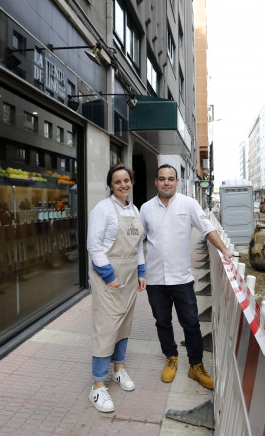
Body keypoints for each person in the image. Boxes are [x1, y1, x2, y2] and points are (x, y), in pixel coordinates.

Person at [140, 164, 233, 390]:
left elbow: (207, 228)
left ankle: (196, 365)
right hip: (155, 280)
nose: (166, 183)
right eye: (162, 179)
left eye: (170, 179)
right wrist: (139, 271)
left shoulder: (188, 204)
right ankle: (171, 358)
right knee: (162, 322)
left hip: (181, 278)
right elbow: (136, 243)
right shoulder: (145, 209)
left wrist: (224, 250)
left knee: (191, 323)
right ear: (155, 181)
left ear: (177, 181)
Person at [86, 164, 147, 413]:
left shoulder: (134, 209)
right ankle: (98, 386)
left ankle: (119, 369)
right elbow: (94, 246)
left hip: (130, 276)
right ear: (110, 185)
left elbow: (139, 246)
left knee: (124, 325)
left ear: (131, 182)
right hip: (109, 277)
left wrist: (141, 272)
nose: (123, 185)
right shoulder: (103, 209)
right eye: (117, 181)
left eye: (126, 180)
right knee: (106, 327)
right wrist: (109, 275)